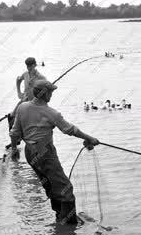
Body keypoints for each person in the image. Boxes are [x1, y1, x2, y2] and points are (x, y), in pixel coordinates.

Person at [10, 79, 99, 224]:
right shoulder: (50, 113)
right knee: (65, 188)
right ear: (45, 94)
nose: (51, 95)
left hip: (29, 152)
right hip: (45, 152)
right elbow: (70, 129)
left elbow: (14, 133)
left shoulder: (22, 107)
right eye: (50, 92)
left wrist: (14, 148)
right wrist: (90, 138)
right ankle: (68, 224)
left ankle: (59, 219)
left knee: (50, 184)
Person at [8, 57, 47, 130]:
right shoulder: (25, 74)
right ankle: (13, 131)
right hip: (25, 99)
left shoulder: (41, 77)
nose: (28, 68)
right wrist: (19, 92)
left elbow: (47, 88)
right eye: (27, 66)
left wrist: (39, 96)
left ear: (34, 65)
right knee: (13, 115)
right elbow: (18, 80)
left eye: (30, 66)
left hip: (34, 102)